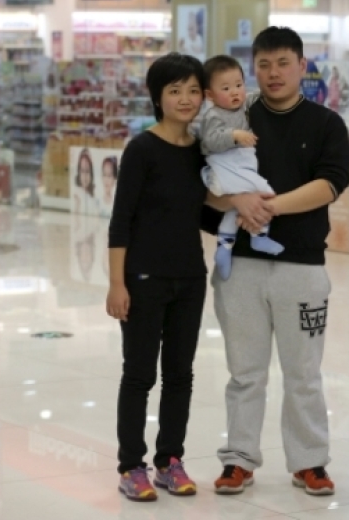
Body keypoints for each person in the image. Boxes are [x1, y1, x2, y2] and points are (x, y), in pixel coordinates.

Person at [212, 27, 349, 496]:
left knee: (304, 373)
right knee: (244, 370)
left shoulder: (326, 123)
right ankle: (239, 459)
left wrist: (267, 205)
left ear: (302, 65)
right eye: (265, 65)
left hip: (303, 267)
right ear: (253, 66)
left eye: (283, 64)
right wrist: (237, 202)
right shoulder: (231, 119)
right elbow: (203, 185)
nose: (273, 74)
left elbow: (331, 183)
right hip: (241, 267)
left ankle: (309, 461)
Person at [106, 52, 225, 502]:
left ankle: (169, 461)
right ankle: (130, 465)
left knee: (181, 375)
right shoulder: (141, 149)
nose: (186, 98)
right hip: (142, 278)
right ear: (157, 97)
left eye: (194, 90)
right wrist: (117, 283)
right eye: (175, 90)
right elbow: (121, 221)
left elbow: (201, 211)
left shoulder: (201, 149)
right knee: (138, 375)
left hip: (189, 278)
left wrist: (249, 203)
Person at [197, 55, 284, 280]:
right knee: (265, 193)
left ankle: (224, 247)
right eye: (226, 88)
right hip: (227, 166)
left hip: (241, 165)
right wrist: (234, 135)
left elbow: (258, 97)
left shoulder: (243, 105)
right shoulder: (213, 115)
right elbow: (210, 140)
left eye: (239, 85)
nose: (235, 92)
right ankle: (259, 234)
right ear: (209, 95)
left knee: (235, 208)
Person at [72, 148, 99, 216]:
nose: (85, 176)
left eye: (87, 171)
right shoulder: (76, 195)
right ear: (79, 172)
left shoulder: (95, 196)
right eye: (82, 171)